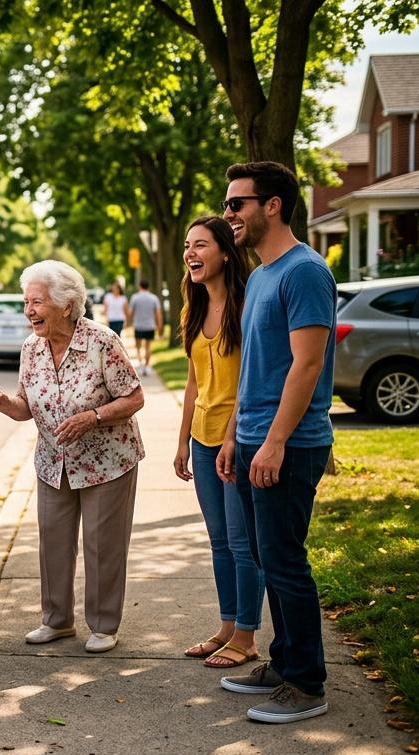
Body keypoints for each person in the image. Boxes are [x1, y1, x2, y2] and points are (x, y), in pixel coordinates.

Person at [216, 161, 337, 725]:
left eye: (237, 204)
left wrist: (273, 442)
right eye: (225, 204)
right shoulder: (261, 274)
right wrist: (236, 436)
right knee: (268, 557)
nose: (228, 215)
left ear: (272, 206)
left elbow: (307, 364)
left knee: (286, 562)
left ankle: (307, 685)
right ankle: (285, 662)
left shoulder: (305, 272)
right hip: (253, 439)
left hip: (287, 446)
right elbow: (257, 368)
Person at [0, 260, 145, 653]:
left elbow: (134, 397)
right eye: (27, 302)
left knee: (102, 544)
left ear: (67, 305)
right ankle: (56, 621)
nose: (30, 311)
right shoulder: (31, 347)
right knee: (53, 541)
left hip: (108, 460)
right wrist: (7, 403)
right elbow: (27, 405)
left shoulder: (102, 341)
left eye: (37, 302)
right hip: (52, 461)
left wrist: (92, 417)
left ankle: (104, 625)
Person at [171, 216, 263, 670]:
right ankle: (227, 626)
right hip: (203, 440)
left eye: (201, 244)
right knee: (219, 540)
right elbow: (193, 382)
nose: (190, 252)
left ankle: (246, 636)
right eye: (188, 245)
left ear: (226, 252)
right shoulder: (192, 310)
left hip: (239, 439)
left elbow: (249, 382)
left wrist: (230, 439)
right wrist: (183, 440)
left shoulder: (245, 308)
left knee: (243, 543)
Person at [127, 279, 163, 374]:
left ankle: (140, 364)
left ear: (140, 286)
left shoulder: (135, 298)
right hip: (150, 326)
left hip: (138, 326)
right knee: (148, 347)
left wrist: (128, 323)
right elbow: (158, 314)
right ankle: (147, 367)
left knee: (138, 347)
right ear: (148, 287)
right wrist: (160, 328)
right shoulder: (154, 298)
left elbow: (130, 313)